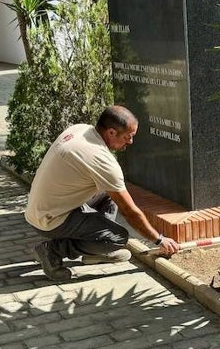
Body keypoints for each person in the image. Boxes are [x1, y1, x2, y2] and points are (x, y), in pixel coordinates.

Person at [25, 106, 180, 281]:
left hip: (41, 208)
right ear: (111, 132)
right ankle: (51, 250)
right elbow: (129, 212)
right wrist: (159, 239)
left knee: (110, 192)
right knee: (118, 238)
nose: (130, 142)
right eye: (128, 136)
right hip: (49, 220)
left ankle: (96, 251)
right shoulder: (100, 160)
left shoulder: (81, 129)